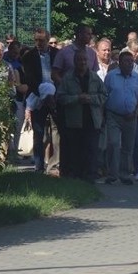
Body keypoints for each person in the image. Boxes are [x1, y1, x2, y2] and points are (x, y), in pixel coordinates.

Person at [57, 49, 107, 181]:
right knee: (75, 150)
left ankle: (90, 176)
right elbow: (60, 97)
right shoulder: (68, 78)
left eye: (85, 60)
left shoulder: (95, 78)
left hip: (92, 119)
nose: (83, 62)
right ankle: (75, 176)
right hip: (74, 121)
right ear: (75, 62)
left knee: (91, 149)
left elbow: (104, 95)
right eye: (79, 60)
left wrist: (91, 99)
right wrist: (77, 98)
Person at [103, 51, 138, 185]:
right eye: (126, 61)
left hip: (131, 116)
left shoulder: (137, 78)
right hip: (113, 115)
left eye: (131, 61)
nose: (129, 64)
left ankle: (124, 174)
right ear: (119, 63)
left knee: (128, 147)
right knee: (114, 143)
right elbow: (104, 96)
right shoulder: (111, 76)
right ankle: (112, 174)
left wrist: (136, 112)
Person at [22, 28, 60, 174]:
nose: (38, 43)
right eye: (36, 40)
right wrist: (44, 95)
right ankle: (39, 166)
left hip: (55, 97)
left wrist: (53, 95)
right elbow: (30, 79)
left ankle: (55, 164)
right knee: (39, 133)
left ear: (48, 40)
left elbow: (60, 74)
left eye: (42, 40)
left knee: (57, 133)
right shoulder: (28, 56)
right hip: (38, 97)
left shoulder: (57, 54)